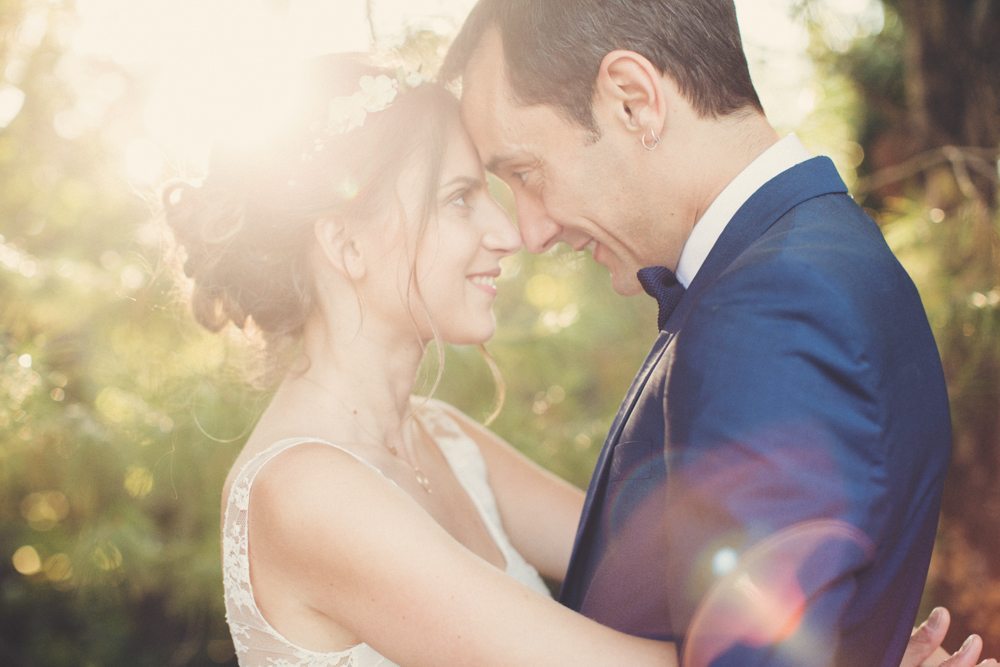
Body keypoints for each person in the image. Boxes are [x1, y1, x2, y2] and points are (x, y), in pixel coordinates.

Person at [164, 53, 985, 667]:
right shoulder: (306, 491)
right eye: (458, 199)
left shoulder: (447, 438)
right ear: (344, 242)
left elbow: (679, 571)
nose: (507, 231)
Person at [441, 0, 974, 664]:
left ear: (634, 100)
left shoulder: (775, 311)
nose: (530, 230)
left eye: (525, 173)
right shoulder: (810, 260)